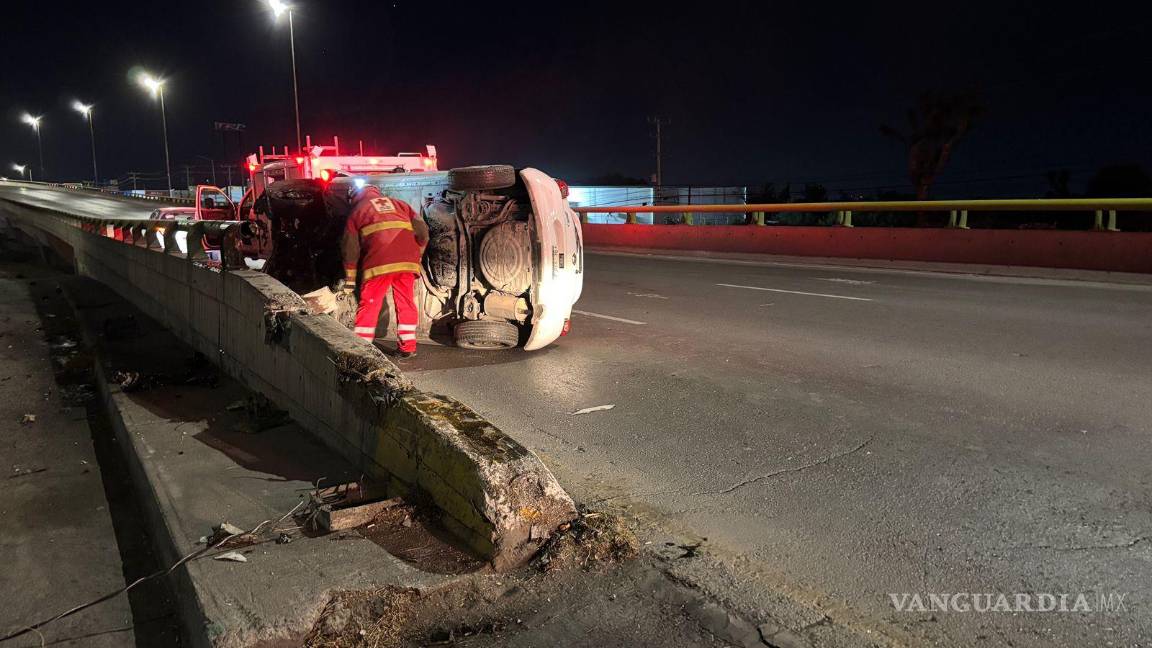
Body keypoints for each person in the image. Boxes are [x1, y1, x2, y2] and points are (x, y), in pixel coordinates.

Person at [341, 183, 429, 358]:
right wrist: (416, 254)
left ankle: (362, 350)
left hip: (378, 262)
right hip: (407, 262)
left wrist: (350, 279)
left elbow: (350, 249)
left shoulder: (358, 210)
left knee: (370, 303)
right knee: (406, 302)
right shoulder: (399, 203)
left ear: (354, 197)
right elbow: (423, 232)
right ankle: (408, 347)